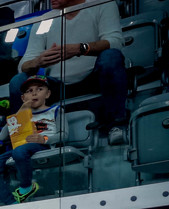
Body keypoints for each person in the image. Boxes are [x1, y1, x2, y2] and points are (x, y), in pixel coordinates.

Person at [9, 0, 127, 145]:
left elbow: (115, 42)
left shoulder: (102, 4)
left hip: (94, 79)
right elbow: (23, 65)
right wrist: (38, 61)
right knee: (18, 81)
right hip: (56, 87)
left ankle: (116, 125)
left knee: (111, 57)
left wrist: (81, 48)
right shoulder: (45, 21)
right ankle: (21, 141)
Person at [0, 77, 62, 205]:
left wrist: (44, 139)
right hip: (20, 148)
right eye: (29, 91)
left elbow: (64, 135)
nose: (34, 93)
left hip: (42, 146)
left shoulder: (55, 110)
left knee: (19, 151)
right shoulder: (20, 114)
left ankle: (27, 186)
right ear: (23, 98)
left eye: (39, 89)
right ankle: (12, 203)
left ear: (47, 94)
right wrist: (20, 113)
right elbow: (2, 137)